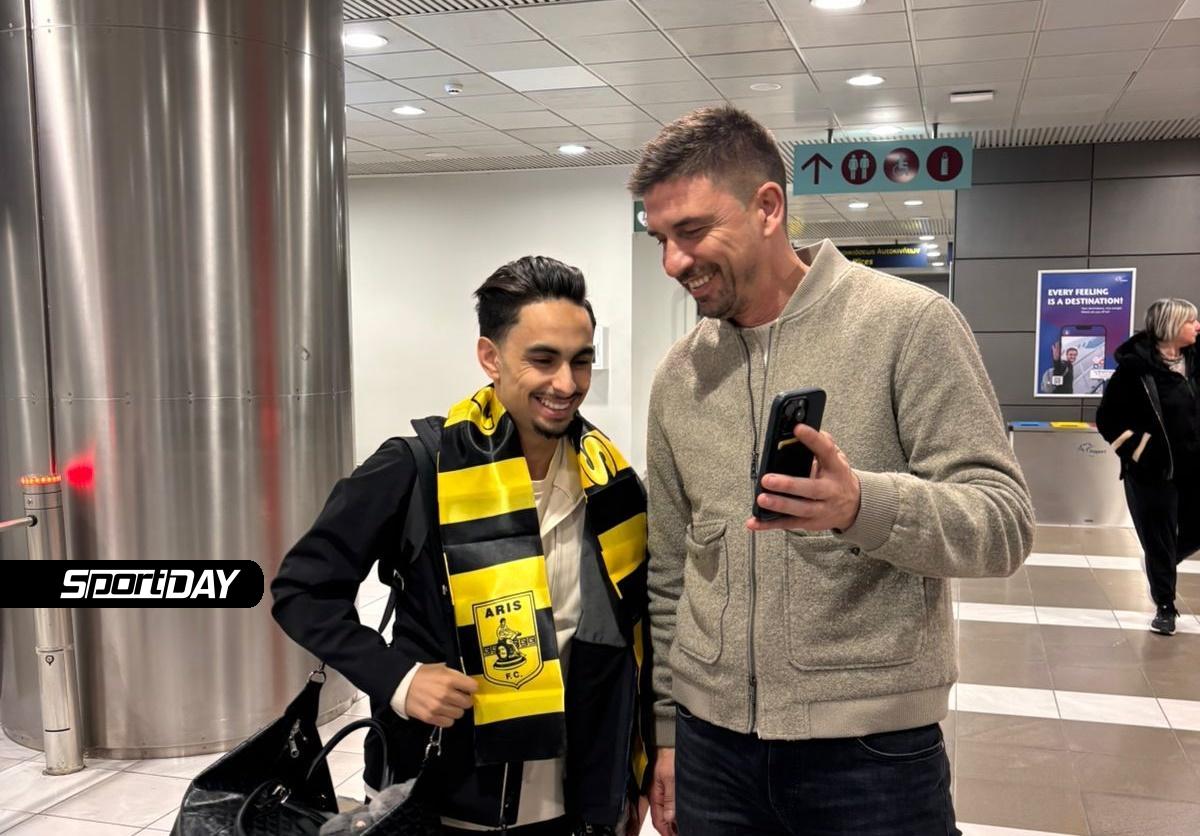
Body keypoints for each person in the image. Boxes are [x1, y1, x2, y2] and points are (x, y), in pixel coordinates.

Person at [629, 107, 1034, 836]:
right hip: (711, 749)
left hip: (870, 757)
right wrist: (666, 730)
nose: (673, 263)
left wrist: (861, 507)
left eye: (691, 231)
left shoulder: (908, 325)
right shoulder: (680, 374)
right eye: (660, 238)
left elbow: (1002, 523)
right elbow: (670, 570)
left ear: (767, 208)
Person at [272, 256, 651, 835]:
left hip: (576, 799)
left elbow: (636, 634)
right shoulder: (419, 467)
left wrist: (634, 771)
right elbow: (302, 589)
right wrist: (399, 679)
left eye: (581, 361)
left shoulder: (611, 486)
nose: (567, 384)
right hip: (440, 799)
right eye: (543, 359)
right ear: (490, 357)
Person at [1096, 298, 1200, 636]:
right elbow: (1108, 419)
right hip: (1153, 472)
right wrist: (1141, 451)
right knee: (1159, 538)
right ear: (1171, 326)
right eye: (1191, 321)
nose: (1197, 327)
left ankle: (1163, 560)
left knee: (1177, 541)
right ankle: (1165, 606)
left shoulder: (1195, 362)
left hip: (1194, 468)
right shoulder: (1134, 369)